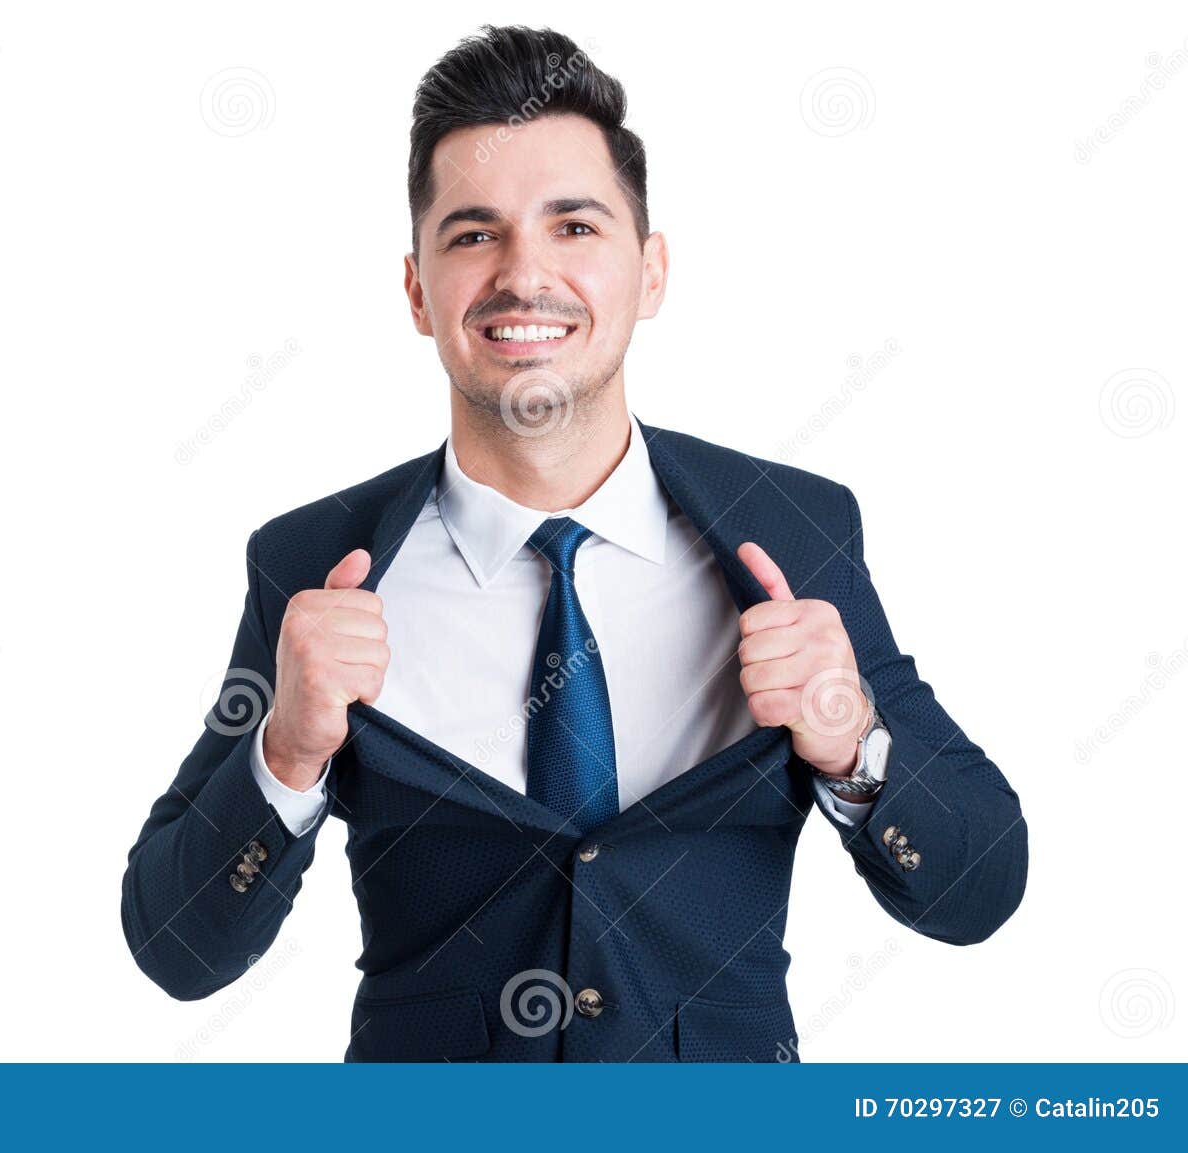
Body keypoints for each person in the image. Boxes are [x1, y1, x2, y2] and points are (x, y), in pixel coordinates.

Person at [120, 24, 1027, 1062]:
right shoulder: (314, 562)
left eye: (574, 227)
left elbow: (978, 887)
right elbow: (175, 947)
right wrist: (284, 752)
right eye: (472, 235)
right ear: (417, 292)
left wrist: (852, 737)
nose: (523, 275)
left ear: (649, 274)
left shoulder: (793, 532)